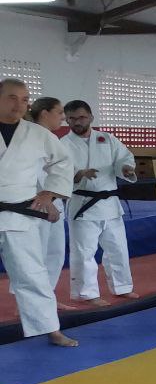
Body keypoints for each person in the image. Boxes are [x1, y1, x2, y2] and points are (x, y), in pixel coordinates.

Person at [0, 81, 75, 346]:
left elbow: (63, 162)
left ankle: (51, 329)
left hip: (19, 214)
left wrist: (49, 193)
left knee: (32, 274)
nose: (19, 104)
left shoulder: (37, 134)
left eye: (24, 99)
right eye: (12, 97)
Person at [61, 100, 140, 306]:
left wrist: (125, 169)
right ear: (66, 119)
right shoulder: (62, 144)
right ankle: (87, 293)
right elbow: (57, 172)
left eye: (81, 117)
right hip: (83, 204)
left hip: (110, 204)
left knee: (118, 249)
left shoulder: (107, 139)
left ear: (91, 117)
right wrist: (78, 174)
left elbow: (124, 158)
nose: (77, 122)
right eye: (72, 118)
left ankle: (122, 287)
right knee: (83, 252)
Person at [21, 98, 71, 310]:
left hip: (51, 202)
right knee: (36, 255)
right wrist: (47, 200)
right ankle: (28, 303)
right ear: (44, 113)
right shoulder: (31, 136)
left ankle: (46, 298)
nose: (63, 117)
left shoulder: (48, 137)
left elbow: (59, 171)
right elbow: (34, 174)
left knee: (54, 253)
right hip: (36, 204)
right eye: (59, 112)